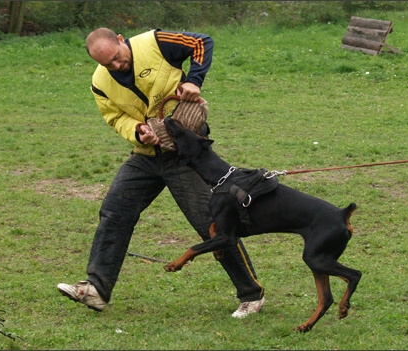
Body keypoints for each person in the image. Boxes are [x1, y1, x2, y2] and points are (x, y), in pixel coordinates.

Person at [57, 27, 265, 318]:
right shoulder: (99, 83)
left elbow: (201, 42)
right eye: (107, 64)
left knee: (211, 224)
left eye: (117, 58)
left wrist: (194, 80)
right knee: (114, 211)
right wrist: (137, 131)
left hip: (185, 154)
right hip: (146, 157)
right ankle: (97, 290)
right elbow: (114, 117)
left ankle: (251, 295)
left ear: (120, 40)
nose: (116, 66)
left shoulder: (155, 42)